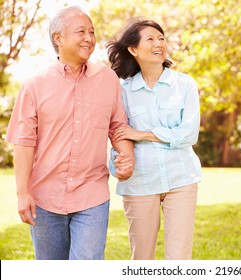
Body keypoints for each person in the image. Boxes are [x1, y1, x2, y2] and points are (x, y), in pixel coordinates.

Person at [5, 6, 134, 260]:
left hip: (92, 195)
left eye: (92, 32)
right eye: (81, 32)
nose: (89, 38)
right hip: (45, 197)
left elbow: (118, 127)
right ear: (58, 38)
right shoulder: (34, 85)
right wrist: (23, 193)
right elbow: (23, 141)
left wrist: (127, 158)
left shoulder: (108, 79)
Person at [106, 19, 202, 260]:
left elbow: (189, 134)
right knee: (142, 259)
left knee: (179, 258)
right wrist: (118, 165)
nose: (159, 43)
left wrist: (142, 134)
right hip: (139, 183)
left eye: (161, 38)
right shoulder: (121, 92)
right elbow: (117, 137)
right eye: (151, 39)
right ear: (133, 49)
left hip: (181, 180)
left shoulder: (184, 85)